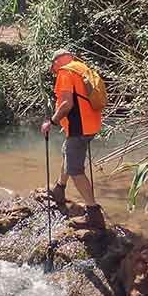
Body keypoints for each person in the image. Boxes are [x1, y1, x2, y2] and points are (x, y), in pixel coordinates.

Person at [41, 49, 103, 212]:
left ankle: (93, 212)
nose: (55, 72)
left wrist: (51, 122)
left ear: (56, 62)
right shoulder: (82, 68)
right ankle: (59, 189)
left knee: (75, 170)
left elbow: (67, 104)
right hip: (92, 124)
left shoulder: (65, 72)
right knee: (66, 152)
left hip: (79, 127)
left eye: (53, 68)